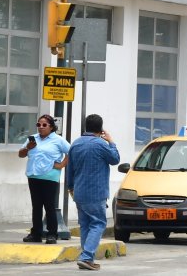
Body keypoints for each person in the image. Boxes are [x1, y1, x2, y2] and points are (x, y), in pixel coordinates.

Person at [66, 114, 120, 272]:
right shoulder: (101, 144)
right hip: (96, 192)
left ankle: (86, 257)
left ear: (86, 126)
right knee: (98, 223)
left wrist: (71, 187)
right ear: (100, 129)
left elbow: (70, 168)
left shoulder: (75, 144)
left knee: (85, 225)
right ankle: (87, 257)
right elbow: (115, 159)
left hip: (79, 191)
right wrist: (111, 141)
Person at [17, 114, 70, 244]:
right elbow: (20, 154)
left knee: (49, 206)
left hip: (50, 176)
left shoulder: (58, 140)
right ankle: (36, 233)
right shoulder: (33, 139)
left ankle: (52, 234)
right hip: (33, 175)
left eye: (44, 125)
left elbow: (71, 152)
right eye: (38, 125)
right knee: (36, 206)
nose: (41, 127)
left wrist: (62, 164)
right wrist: (27, 148)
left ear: (51, 127)